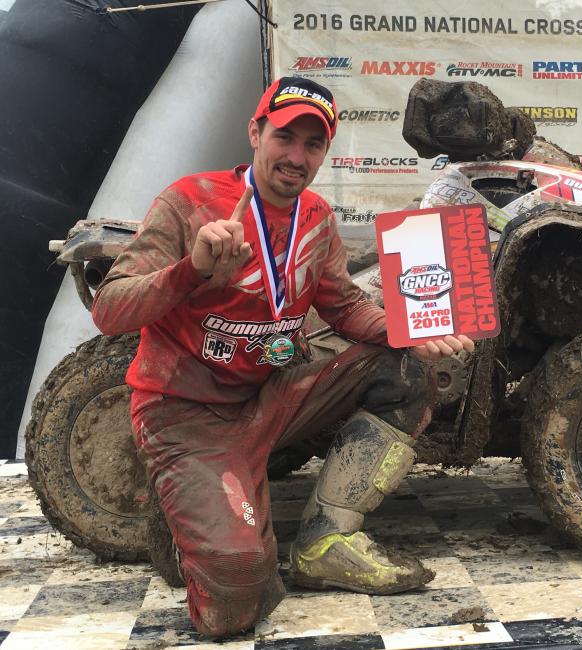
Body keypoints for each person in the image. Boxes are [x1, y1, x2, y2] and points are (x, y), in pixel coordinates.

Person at [91, 76, 474, 637]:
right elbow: (109, 310)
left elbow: (344, 309)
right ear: (255, 131)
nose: (296, 157)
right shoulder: (190, 201)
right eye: (285, 137)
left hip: (272, 394)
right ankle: (205, 515)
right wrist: (191, 270)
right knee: (238, 606)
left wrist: (411, 331)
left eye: (312, 144)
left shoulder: (316, 217)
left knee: (404, 368)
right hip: (186, 414)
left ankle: (326, 541)